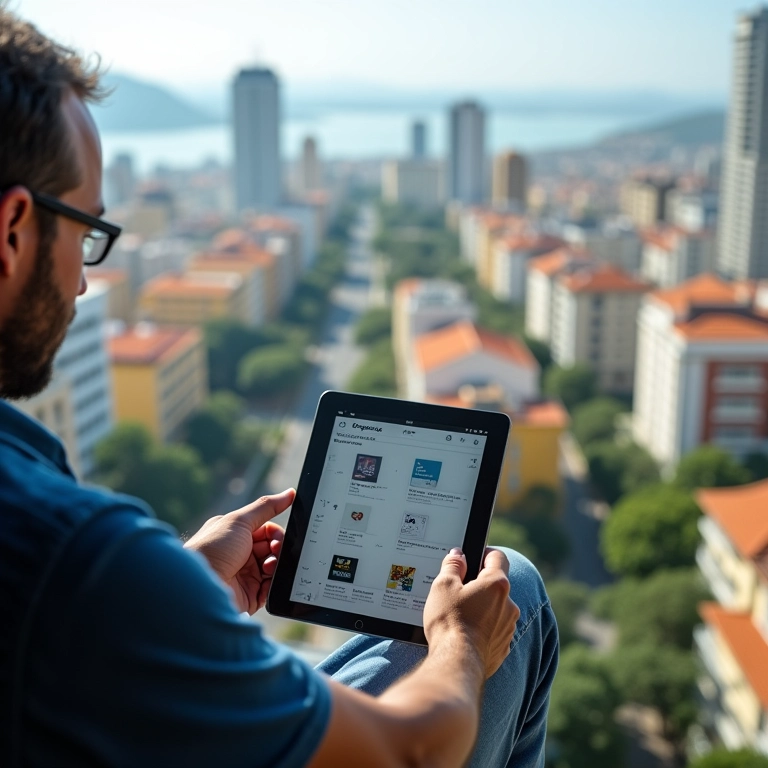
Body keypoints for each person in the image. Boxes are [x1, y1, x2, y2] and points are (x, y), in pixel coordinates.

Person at [0, 10, 558, 767]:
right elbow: (413, 754)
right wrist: (460, 645)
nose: (84, 278)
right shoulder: (63, 550)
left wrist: (178, 584)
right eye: (85, 232)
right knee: (510, 592)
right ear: (13, 230)